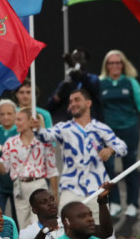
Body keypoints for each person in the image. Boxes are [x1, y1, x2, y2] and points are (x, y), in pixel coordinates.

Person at [31, 88, 127, 220]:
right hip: (71, 187)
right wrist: (37, 129)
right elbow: (46, 136)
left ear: (88, 103)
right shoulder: (63, 128)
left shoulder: (100, 128)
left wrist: (111, 150)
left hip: (97, 187)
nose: (73, 104)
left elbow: (122, 146)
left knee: (99, 229)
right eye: (70, 102)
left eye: (77, 100)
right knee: (67, 226)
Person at [99, 50, 140, 218]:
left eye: (118, 62)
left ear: (123, 65)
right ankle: (114, 203)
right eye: (111, 63)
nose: (115, 66)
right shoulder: (101, 83)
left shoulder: (130, 82)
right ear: (106, 66)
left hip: (129, 128)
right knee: (109, 168)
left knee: (130, 166)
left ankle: (132, 204)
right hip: (108, 132)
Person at [0, 107, 59, 230]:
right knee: (24, 227)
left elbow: (52, 169)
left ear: (30, 121)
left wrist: (55, 195)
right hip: (19, 187)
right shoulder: (10, 143)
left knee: (39, 225)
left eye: (19, 119)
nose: (16, 123)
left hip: (39, 186)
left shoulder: (43, 141)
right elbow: (3, 169)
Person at [46, 48, 104, 123]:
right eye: (74, 59)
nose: (77, 62)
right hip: (72, 126)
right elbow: (49, 108)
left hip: (92, 124)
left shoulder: (92, 79)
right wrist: (59, 94)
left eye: (79, 59)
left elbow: (91, 85)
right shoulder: (67, 83)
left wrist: (76, 69)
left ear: (86, 61)